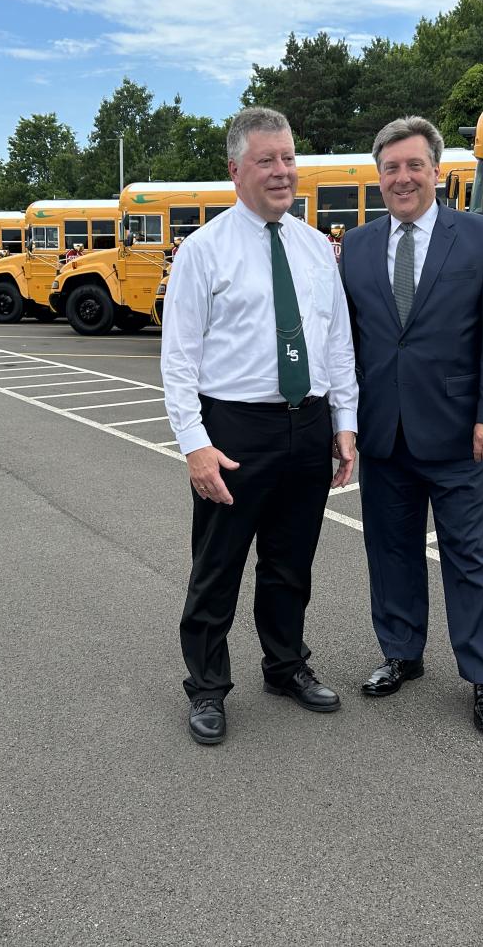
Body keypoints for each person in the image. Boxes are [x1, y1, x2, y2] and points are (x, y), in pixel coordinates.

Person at [160, 107, 359, 746]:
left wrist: (343, 421)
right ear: (235, 170)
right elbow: (179, 358)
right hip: (236, 430)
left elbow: (337, 341)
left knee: (289, 562)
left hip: (308, 423)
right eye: (266, 160)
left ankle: (285, 664)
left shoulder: (314, 248)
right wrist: (195, 445)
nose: (282, 172)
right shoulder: (203, 250)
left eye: (288, 158)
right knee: (217, 566)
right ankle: (208, 688)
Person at [340, 116, 483, 733]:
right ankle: (401, 653)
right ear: (379, 176)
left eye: (414, 165)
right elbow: (351, 340)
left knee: (469, 556)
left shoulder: (482, 237)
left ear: (437, 172)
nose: (402, 177)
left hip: (458, 435)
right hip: (384, 432)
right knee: (390, 551)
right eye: (391, 168)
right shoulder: (360, 245)